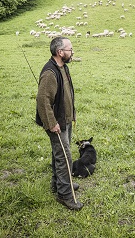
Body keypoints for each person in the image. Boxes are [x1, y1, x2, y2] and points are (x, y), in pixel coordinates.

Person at [36, 36, 83, 210]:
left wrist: (72, 114)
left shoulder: (64, 68)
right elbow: (42, 100)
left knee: (60, 153)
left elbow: (67, 94)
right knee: (64, 157)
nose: (72, 52)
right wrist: (51, 123)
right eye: (70, 49)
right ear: (60, 52)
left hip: (65, 119)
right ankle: (65, 194)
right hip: (56, 123)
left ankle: (59, 183)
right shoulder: (50, 72)